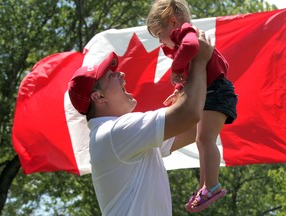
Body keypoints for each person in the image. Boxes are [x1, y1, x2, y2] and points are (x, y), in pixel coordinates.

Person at [67, 33, 213, 215]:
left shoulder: (114, 136)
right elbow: (189, 115)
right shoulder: (114, 132)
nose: (120, 74)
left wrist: (196, 88)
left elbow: (194, 127)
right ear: (99, 97)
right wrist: (199, 62)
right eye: (111, 76)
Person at [146, 0, 238, 213]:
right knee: (201, 139)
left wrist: (174, 69)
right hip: (211, 91)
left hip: (216, 91)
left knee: (205, 139)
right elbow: (194, 72)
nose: (160, 40)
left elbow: (191, 47)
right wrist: (180, 89)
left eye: (159, 33)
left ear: (172, 22)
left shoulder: (186, 33)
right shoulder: (181, 39)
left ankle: (212, 185)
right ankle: (205, 186)